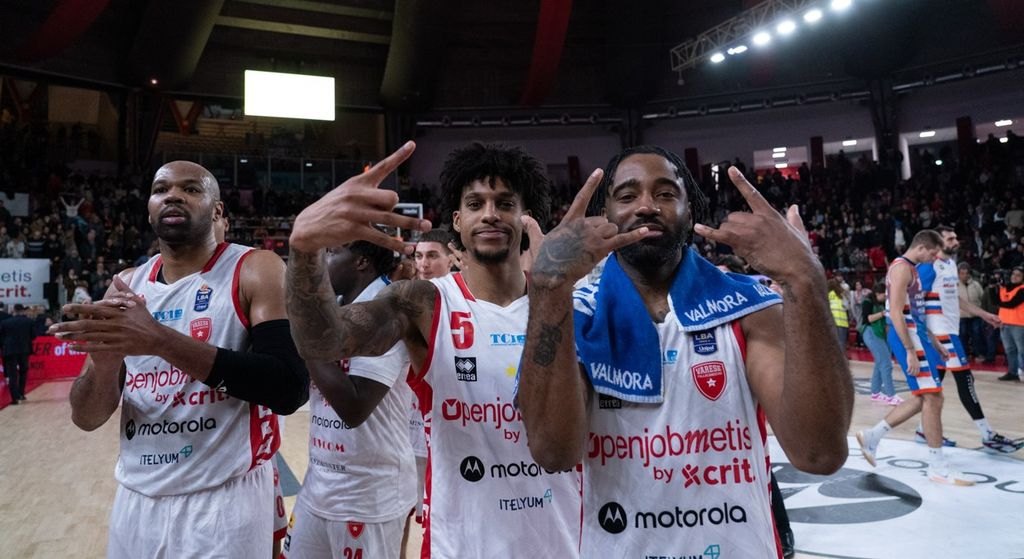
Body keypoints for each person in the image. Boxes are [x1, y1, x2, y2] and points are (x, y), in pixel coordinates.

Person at [517, 146, 853, 556]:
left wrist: (805, 279)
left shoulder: (750, 308)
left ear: (689, 210)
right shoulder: (577, 314)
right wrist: (548, 288)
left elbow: (819, 453)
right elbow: (553, 452)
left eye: (665, 193)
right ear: (605, 217)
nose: (646, 206)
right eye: (627, 195)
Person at [285, 141, 582, 558]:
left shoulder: (569, 302)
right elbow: (321, 339)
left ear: (526, 216)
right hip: (457, 545)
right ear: (457, 220)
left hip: (563, 541)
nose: (490, 214)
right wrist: (303, 248)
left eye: (505, 203)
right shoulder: (422, 302)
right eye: (475, 203)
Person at [51, 160, 310, 558]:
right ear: (149, 210)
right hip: (136, 497)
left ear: (217, 211)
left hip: (224, 498)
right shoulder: (126, 285)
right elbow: (86, 418)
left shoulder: (255, 268)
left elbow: (289, 387)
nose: (172, 195)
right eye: (161, 190)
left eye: (190, 189)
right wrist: (104, 366)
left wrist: (158, 339)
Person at [281, 240, 416, 559]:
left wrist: (305, 332)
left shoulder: (386, 311)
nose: (323, 261)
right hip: (319, 483)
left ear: (361, 262)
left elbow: (354, 406)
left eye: (331, 252)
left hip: (369, 497)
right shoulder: (337, 305)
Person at [856, 230, 974, 485]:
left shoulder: (913, 269)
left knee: (925, 398)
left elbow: (916, 313)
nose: (934, 259)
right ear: (921, 247)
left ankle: (872, 436)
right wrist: (910, 350)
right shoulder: (901, 268)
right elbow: (896, 313)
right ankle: (937, 466)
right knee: (934, 397)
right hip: (907, 337)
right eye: (932, 254)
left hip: (918, 334)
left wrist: (934, 341)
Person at [916, 226, 1017, 452]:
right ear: (937, 242)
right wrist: (924, 335)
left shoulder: (951, 265)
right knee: (966, 380)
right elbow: (915, 302)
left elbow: (957, 300)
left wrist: (984, 314)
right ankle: (987, 435)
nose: (955, 241)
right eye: (950, 238)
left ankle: (923, 430)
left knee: (935, 383)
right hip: (941, 333)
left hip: (950, 329)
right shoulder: (928, 267)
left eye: (955, 237)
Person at [860, 282, 900, 404]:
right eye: (883, 295)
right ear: (877, 293)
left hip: (881, 333)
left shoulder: (883, 302)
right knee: (886, 363)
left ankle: (875, 393)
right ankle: (891, 395)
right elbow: (868, 319)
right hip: (870, 332)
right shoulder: (867, 302)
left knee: (880, 363)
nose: (885, 297)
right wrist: (883, 313)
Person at [1, 304, 37, 404]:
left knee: (12, 374)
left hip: (9, 350)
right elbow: (34, 336)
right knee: (23, 372)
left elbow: (1, 337)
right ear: (23, 310)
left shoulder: (5, 322)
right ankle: (21, 393)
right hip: (24, 349)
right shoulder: (29, 321)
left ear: (14, 310)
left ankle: (15, 398)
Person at [997, 266, 1024, 382]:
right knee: (1009, 350)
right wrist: (992, 287)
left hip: (1019, 324)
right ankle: (1012, 372)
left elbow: (1012, 304)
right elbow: (994, 300)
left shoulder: (1022, 289)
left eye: (1018, 275)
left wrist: (998, 303)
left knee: (1022, 350)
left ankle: (1020, 371)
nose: (1014, 277)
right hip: (1004, 322)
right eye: (1013, 274)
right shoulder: (1004, 288)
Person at [958, 262, 987, 361]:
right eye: (962, 273)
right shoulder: (954, 285)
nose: (964, 275)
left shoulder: (976, 285)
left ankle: (979, 354)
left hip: (975, 315)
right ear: (958, 274)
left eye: (966, 273)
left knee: (977, 335)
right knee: (962, 335)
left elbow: (982, 298)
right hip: (961, 315)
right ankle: (965, 355)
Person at [828, 277, 850, 349]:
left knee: (832, 345)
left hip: (832, 323)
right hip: (842, 323)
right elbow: (847, 307)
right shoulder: (842, 294)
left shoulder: (827, 295)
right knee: (841, 346)